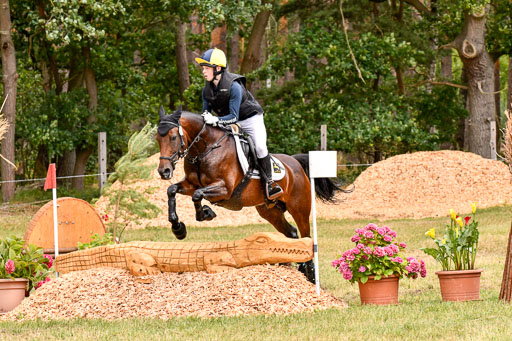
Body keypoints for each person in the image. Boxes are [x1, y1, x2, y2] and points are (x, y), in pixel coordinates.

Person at [195, 47, 283, 200]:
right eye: (203, 68)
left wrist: (215, 119)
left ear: (217, 68)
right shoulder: (206, 90)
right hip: (226, 120)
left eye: (206, 68)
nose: (203, 71)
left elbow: (233, 117)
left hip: (250, 119)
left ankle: (270, 183)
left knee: (261, 147)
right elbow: (205, 113)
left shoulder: (234, 87)